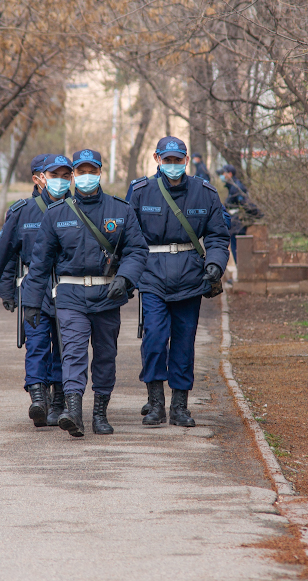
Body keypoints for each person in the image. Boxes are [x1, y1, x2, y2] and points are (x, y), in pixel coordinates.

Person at [22, 149, 148, 437]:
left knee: (105, 355)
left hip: (107, 295)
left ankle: (100, 414)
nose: (87, 176)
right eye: (81, 171)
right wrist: (31, 302)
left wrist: (125, 278)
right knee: (74, 353)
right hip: (70, 296)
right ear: (73, 175)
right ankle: (74, 412)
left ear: (100, 172)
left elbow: (137, 251)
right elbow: (40, 263)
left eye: (93, 170)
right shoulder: (56, 214)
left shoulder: (121, 209)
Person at [126, 137, 230, 427]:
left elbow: (219, 237)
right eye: (167, 160)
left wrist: (214, 264)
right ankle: (156, 403)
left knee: (184, 344)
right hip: (152, 276)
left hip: (189, 277)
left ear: (186, 160)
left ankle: (180, 407)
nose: (172, 165)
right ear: (157, 159)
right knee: (156, 340)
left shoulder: (205, 193)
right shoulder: (140, 192)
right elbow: (128, 238)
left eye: (177, 160)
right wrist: (128, 274)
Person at [0, 154, 73, 427]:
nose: (60, 182)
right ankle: (38, 399)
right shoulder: (22, 211)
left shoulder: (77, 208)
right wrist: (6, 291)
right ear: (38, 179)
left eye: (66, 176)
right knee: (37, 344)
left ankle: (59, 400)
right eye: (53, 176)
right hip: (34, 289)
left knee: (64, 347)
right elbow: (4, 255)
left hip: (67, 289)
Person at [217, 164, 261, 261]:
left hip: (238, 226)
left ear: (230, 174)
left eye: (224, 173)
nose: (222, 176)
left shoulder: (236, 187)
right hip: (235, 225)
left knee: (238, 252)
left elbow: (245, 203)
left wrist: (257, 213)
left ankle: (242, 273)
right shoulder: (232, 187)